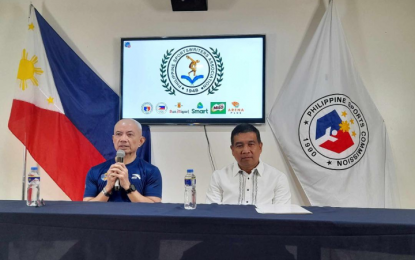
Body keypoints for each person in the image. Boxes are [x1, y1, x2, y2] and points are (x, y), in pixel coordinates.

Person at [206, 123, 291, 205]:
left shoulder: (278, 178)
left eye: (251, 144)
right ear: (232, 150)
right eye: (239, 145)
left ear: (260, 147)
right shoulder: (218, 177)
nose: (246, 150)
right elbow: (212, 213)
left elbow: (281, 215)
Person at [83, 119, 162, 202]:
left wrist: (128, 186)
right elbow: (88, 206)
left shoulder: (151, 171)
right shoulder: (95, 171)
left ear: (141, 141)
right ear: (113, 139)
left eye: (130, 134)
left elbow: (154, 207)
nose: (123, 139)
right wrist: (107, 188)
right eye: (118, 134)